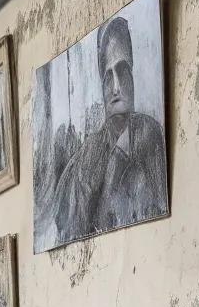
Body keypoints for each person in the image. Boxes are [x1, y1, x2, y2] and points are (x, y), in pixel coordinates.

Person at [52, 13, 166, 245]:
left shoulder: (151, 133)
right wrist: (116, 162)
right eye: (108, 77)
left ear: (132, 77)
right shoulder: (88, 155)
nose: (116, 87)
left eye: (122, 72)